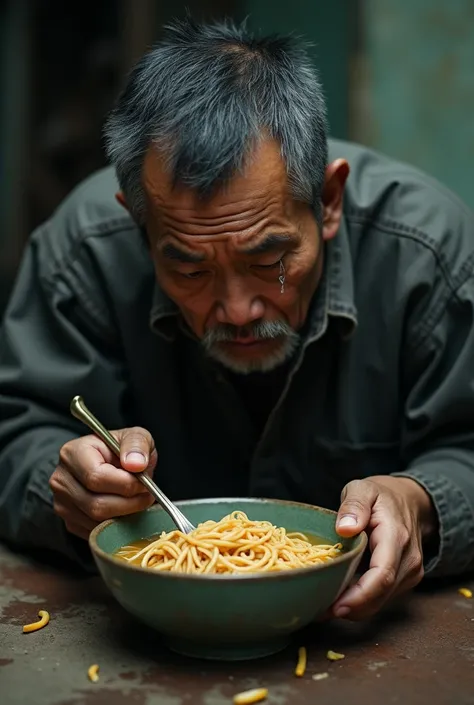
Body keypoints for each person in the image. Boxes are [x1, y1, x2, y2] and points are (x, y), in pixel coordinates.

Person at [1, 17, 474, 622]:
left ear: (328, 202)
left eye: (270, 261)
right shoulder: (82, 254)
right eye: (191, 271)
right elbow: (16, 432)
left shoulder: (429, 255)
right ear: (139, 224)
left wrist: (420, 500)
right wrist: (60, 478)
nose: (238, 310)